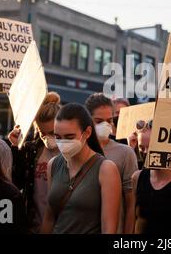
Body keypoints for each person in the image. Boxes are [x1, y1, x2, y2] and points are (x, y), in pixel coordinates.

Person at [41, 103, 121, 234]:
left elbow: (109, 227)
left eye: (69, 137)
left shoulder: (105, 169)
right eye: (58, 137)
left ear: (87, 133)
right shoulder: (53, 165)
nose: (62, 143)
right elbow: (49, 217)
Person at [8, 92, 61, 233]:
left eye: (52, 133)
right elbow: (16, 182)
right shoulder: (31, 150)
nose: (48, 138)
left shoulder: (72, 152)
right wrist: (15, 147)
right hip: (33, 226)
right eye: (43, 134)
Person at [85, 93, 138, 233]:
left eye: (109, 120)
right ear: (87, 120)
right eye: (98, 121)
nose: (105, 125)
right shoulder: (77, 151)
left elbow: (131, 204)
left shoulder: (125, 153)